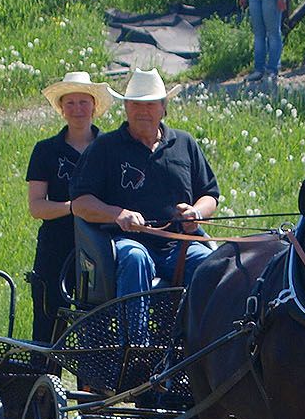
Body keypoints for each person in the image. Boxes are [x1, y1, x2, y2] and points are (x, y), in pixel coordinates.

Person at [70, 67, 219, 301]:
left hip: (178, 246)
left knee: (212, 264)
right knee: (136, 258)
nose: (143, 111)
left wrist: (196, 213)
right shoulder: (105, 147)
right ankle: (135, 338)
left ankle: (201, 336)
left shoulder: (184, 143)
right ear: (126, 108)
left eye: (150, 104)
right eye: (136, 104)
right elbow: (80, 204)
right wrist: (118, 214)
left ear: (163, 108)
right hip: (126, 243)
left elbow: (209, 194)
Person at [25, 71, 109, 343]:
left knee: (97, 319)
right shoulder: (45, 151)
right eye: (70, 103)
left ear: (94, 106)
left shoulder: (110, 148)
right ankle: (45, 380)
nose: (77, 110)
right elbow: (37, 206)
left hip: (101, 244)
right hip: (56, 244)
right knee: (49, 317)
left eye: (83, 102)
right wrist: (74, 208)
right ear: (61, 109)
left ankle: (93, 384)